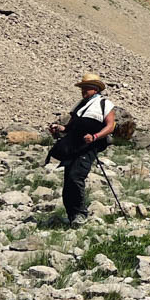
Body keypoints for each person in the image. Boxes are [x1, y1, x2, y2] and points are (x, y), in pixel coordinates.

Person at [48, 72, 116, 227]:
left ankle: (80, 214)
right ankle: (72, 215)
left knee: (76, 176)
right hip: (74, 146)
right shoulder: (80, 105)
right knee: (68, 181)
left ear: (96, 89)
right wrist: (59, 128)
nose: (84, 91)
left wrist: (95, 136)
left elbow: (110, 126)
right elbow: (69, 127)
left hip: (89, 146)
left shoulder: (105, 104)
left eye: (87, 88)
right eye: (83, 88)